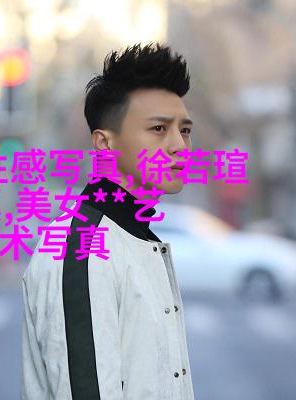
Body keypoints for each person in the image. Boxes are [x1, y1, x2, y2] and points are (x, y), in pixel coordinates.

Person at [21, 42, 195, 399]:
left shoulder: (136, 236)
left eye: (185, 130)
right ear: (104, 142)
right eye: (159, 128)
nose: (179, 145)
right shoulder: (84, 246)